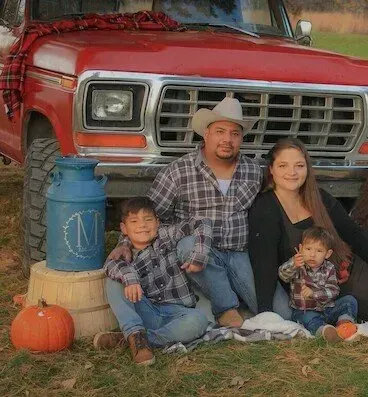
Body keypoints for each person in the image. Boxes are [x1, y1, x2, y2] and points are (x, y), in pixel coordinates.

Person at [109, 97, 291, 326]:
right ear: (206, 133)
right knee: (187, 244)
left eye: (235, 133)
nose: (227, 139)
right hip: (198, 257)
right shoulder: (178, 172)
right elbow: (146, 216)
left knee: (282, 315)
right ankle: (226, 310)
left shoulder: (254, 171)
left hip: (241, 254)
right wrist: (125, 242)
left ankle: (242, 308)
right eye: (220, 131)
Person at [249, 138, 368, 322]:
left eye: (299, 165)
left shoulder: (318, 197)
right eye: (283, 166)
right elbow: (264, 265)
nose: (292, 172)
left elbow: (354, 233)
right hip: (317, 287)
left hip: (346, 268)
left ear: (307, 168)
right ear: (271, 170)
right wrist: (265, 313)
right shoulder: (265, 209)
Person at [94, 197, 211, 366]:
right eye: (134, 221)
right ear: (123, 228)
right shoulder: (124, 252)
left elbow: (202, 222)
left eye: (148, 219)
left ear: (158, 222)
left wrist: (200, 255)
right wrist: (131, 279)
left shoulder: (166, 237)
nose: (142, 225)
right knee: (114, 281)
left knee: (198, 320)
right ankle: (135, 332)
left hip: (177, 314)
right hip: (146, 310)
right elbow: (110, 265)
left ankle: (138, 339)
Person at [278, 226, 358, 342]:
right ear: (301, 248)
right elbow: (283, 275)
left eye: (319, 251)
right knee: (308, 318)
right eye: (308, 249)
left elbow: (333, 290)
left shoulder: (329, 268)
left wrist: (314, 293)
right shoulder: (297, 265)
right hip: (304, 310)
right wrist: (293, 264)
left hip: (327, 309)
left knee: (350, 300)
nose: (312, 255)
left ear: (327, 254)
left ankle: (344, 325)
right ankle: (324, 332)